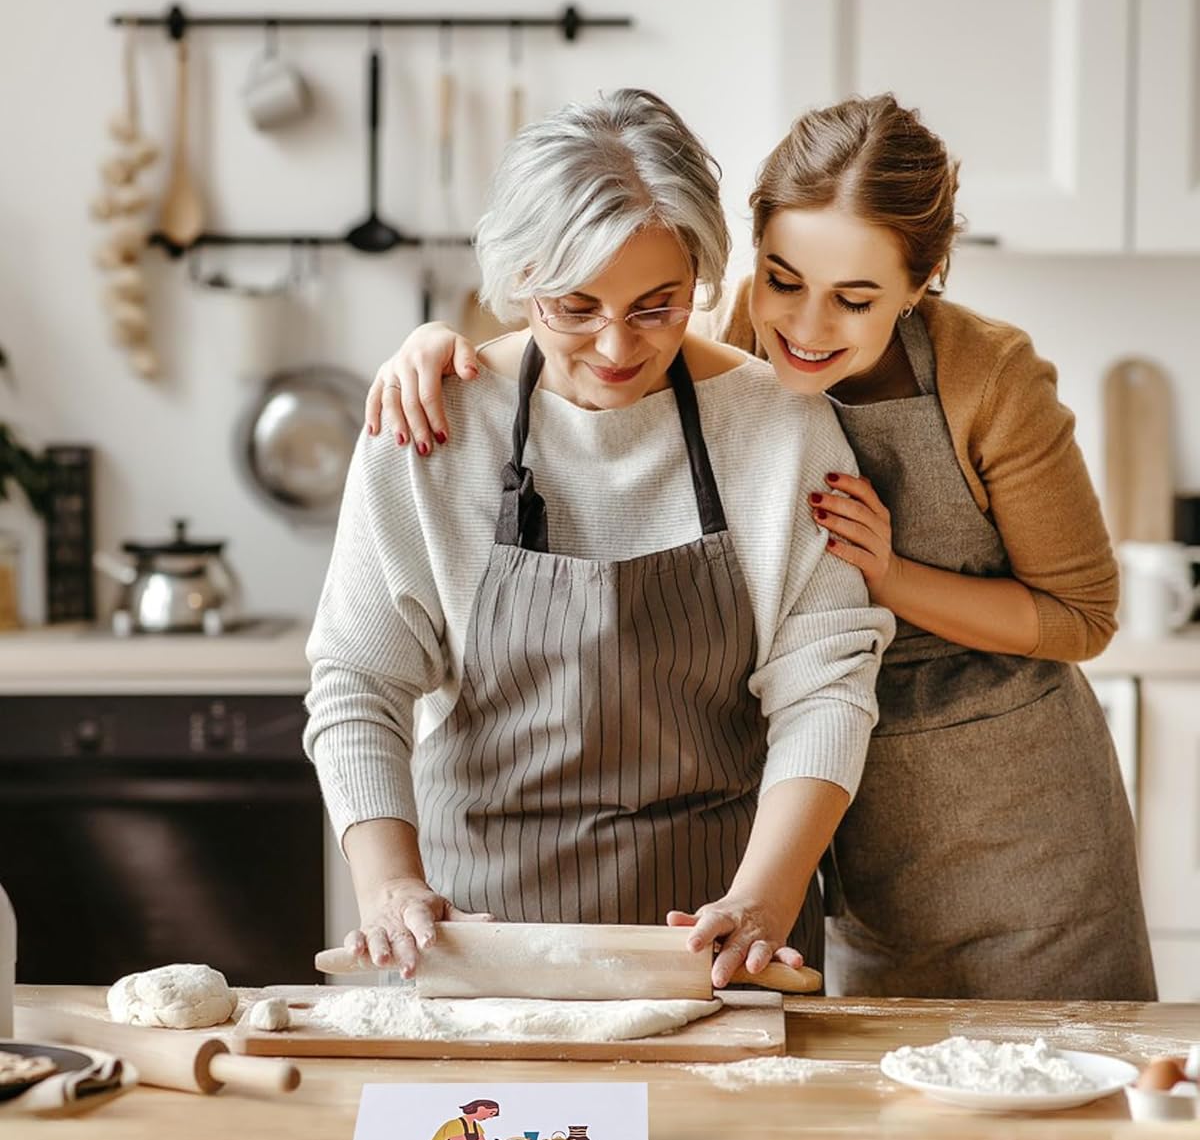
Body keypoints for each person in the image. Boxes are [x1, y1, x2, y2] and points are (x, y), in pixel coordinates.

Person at [364, 92, 1156, 1003]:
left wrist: (889, 577)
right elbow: (600, 330)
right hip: (841, 823)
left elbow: (1082, 616)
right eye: (783, 280)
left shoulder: (990, 379)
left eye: (854, 299)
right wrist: (439, 349)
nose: (807, 329)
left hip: (1014, 818)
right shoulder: (727, 345)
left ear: (923, 282)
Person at [304, 88, 892, 992]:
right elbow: (358, 680)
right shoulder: (432, 424)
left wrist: (764, 900)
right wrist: (389, 887)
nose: (618, 348)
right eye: (575, 308)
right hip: (478, 944)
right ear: (519, 281)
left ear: (700, 276)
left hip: (720, 946)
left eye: (659, 307)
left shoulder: (780, 428)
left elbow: (826, 688)